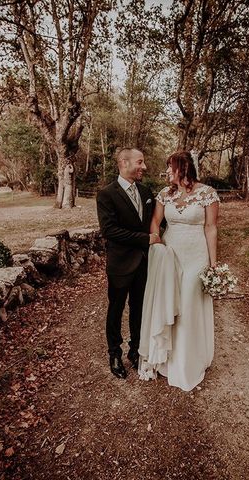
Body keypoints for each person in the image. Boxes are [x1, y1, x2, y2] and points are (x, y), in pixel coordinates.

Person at [139, 150, 220, 391]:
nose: (166, 172)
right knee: (169, 302)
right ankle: (166, 359)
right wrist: (158, 244)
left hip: (196, 256)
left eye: (170, 168)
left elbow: (211, 228)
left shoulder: (208, 194)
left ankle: (187, 362)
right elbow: (155, 221)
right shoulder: (165, 194)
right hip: (170, 254)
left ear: (182, 169)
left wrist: (213, 264)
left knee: (187, 303)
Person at [96, 147, 160, 379]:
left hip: (144, 263)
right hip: (120, 263)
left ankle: (136, 349)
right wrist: (145, 239)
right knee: (115, 309)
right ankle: (114, 353)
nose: (144, 167)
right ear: (124, 163)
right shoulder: (106, 194)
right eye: (140, 162)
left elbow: (154, 224)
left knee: (140, 308)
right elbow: (109, 230)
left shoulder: (146, 192)